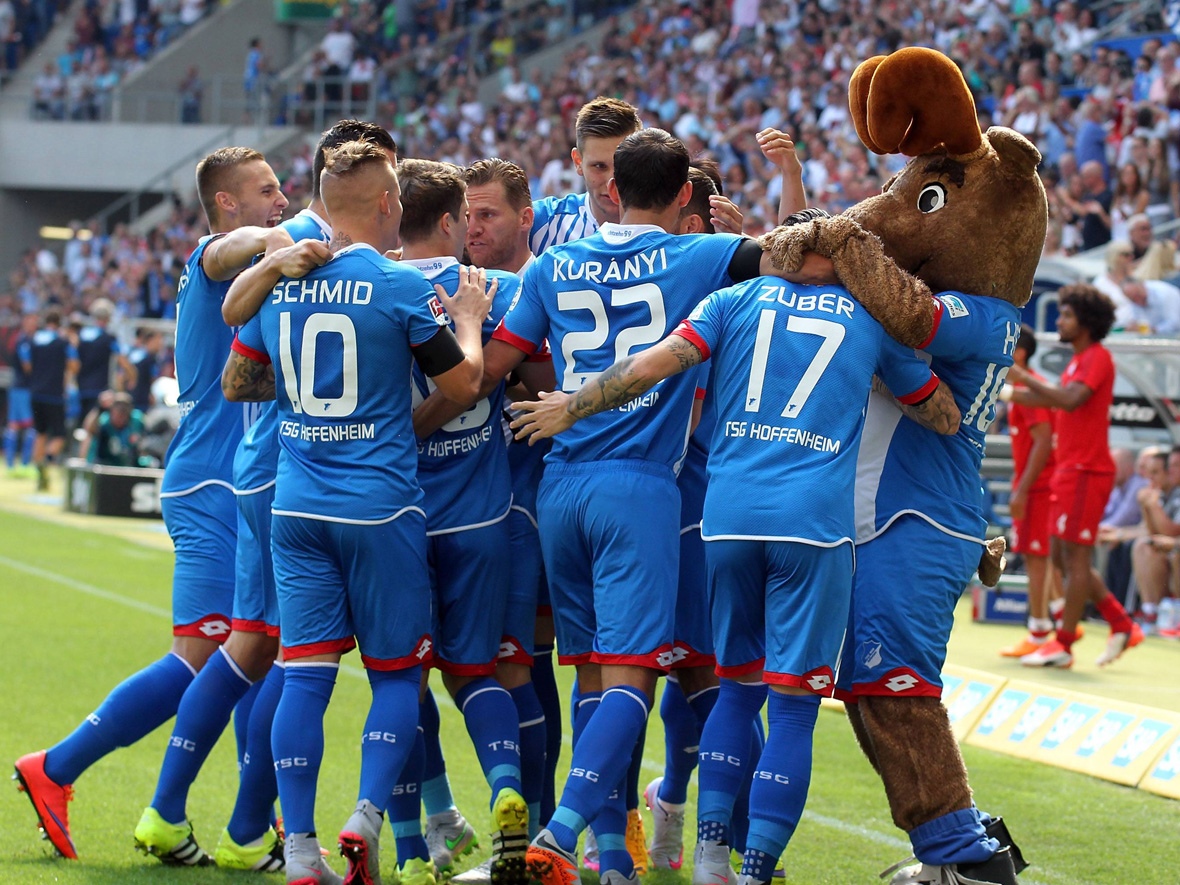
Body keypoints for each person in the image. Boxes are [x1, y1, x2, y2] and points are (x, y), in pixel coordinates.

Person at [416, 128, 819, 885]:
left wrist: (408, 434)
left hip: (559, 488)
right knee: (635, 681)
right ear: (679, 199)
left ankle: (612, 863)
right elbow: (795, 258)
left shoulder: (556, 264)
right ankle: (564, 833)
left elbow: (489, 370)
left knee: (594, 680)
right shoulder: (694, 254)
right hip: (640, 490)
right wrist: (785, 188)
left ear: (609, 191)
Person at [509, 208, 958, 885]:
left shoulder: (729, 300)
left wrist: (569, 407)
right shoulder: (869, 320)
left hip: (728, 520)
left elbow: (648, 366)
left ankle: (711, 858)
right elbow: (939, 411)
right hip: (813, 527)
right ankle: (755, 874)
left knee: (735, 692)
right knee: (795, 709)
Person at [222, 140, 492, 884]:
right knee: (398, 676)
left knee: (304, 674)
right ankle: (367, 815)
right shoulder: (395, 283)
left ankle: (301, 850)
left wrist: (273, 265)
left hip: (297, 505)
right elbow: (464, 385)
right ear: (386, 205)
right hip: (379, 506)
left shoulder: (287, 275)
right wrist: (468, 319)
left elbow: (232, 320)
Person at [12, 146, 291, 864]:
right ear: (227, 203)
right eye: (266, 190)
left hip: (233, 483)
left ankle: (251, 819)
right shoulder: (213, 253)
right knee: (212, 657)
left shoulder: (258, 270)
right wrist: (285, 238)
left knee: (255, 653)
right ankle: (65, 769)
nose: (281, 199)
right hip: (212, 483)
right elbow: (231, 246)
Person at [385, 158, 529, 885]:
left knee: (400, 681)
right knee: (478, 674)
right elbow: (534, 381)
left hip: (401, 518)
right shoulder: (500, 290)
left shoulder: (380, 287)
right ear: (449, 221)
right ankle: (506, 788)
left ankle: (411, 851)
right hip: (483, 518)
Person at [1008, 283, 1143, 668]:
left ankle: (1063, 643)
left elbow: (1068, 399)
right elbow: (1052, 398)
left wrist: (1022, 375)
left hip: (1087, 471)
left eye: (1066, 315)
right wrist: (1003, 390)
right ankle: (1121, 623)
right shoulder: (1077, 361)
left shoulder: (1097, 357)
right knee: (1063, 558)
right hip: (1071, 471)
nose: (1059, 321)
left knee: (1075, 557)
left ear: (1085, 322)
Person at [999, 324, 1061, 658]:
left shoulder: (1027, 387)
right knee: (1044, 559)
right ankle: (1061, 621)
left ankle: (1039, 633)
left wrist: (1021, 490)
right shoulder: (1022, 387)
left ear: (1018, 353)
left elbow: (1042, 440)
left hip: (1039, 487)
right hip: (1039, 484)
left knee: (1038, 560)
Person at [529, 97, 642, 255]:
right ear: (578, 161)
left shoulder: (677, 222)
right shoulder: (540, 223)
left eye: (623, 165)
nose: (612, 181)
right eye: (599, 166)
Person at [19, 308, 78, 491]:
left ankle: (39, 471)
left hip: (36, 393)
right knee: (59, 435)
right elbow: (74, 365)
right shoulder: (62, 342)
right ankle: (47, 459)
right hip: (54, 395)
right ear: (59, 323)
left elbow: (26, 364)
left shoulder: (32, 340)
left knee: (40, 433)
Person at [1129, 449, 1180, 630]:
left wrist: (1152, 505)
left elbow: (1172, 531)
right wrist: (1146, 507)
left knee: (1176, 554)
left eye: (1175, 466)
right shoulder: (1167, 495)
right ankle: (1152, 611)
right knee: (1142, 546)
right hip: (1172, 549)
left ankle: (1172, 616)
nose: (1171, 470)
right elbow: (1153, 532)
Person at [74, 298, 135, 423]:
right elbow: (121, 359)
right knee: (95, 423)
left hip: (81, 385)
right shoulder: (108, 337)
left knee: (82, 421)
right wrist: (132, 375)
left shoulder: (81, 336)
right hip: (100, 387)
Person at [4, 311, 37, 476]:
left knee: (15, 425)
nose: (34, 324)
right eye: (31, 320)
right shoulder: (25, 341)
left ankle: (14, 464)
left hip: (19, 388)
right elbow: (27, 366)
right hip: (22, 389)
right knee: (27, 425)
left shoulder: (26, 339)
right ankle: (22, 464)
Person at [83, 391, 145, 467]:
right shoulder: (104, 421)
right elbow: (90, 429)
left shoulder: (136, 420)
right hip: (105, 462)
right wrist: (99, 408)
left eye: (123, 413)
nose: (120, 418)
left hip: (128, 463)